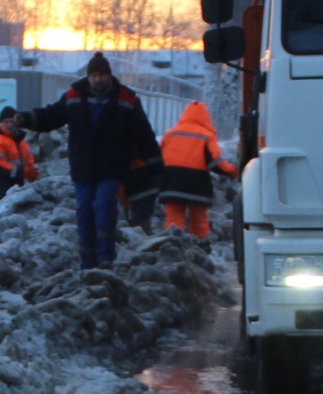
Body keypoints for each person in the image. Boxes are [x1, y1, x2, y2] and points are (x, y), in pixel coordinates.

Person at [23, 52, 158, 269]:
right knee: (84, 211)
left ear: (109, 76)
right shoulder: (73, 96)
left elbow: (144, 134)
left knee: (104, 206)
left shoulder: (126, 99)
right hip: (83, 168)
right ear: (88, 76)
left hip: (111, 168)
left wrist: (155, 164)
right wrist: (27, 119)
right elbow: (52, 116)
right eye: (93, 75)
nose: (97, 79)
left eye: (102, 75)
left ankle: (106, 257)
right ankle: (87, 261)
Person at [156, 100, 236, 241]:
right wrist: (232, 171)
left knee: (174, 218)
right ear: (205, 117)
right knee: (198, 219)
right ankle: (200, 246)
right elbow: (215, 163)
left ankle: (172, 244)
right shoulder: (206, 135)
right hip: (197, 184)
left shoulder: (169, 134)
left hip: (171, 182)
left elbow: (157, 158)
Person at [0, 108, 37, 203]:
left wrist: (31, 168)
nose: (9, 124)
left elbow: (28, 156)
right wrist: (23, 171)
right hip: (0, 185)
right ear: (1, 123)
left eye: (12, 122)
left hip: (18, 183)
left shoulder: (19, 139)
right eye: (6, 122)